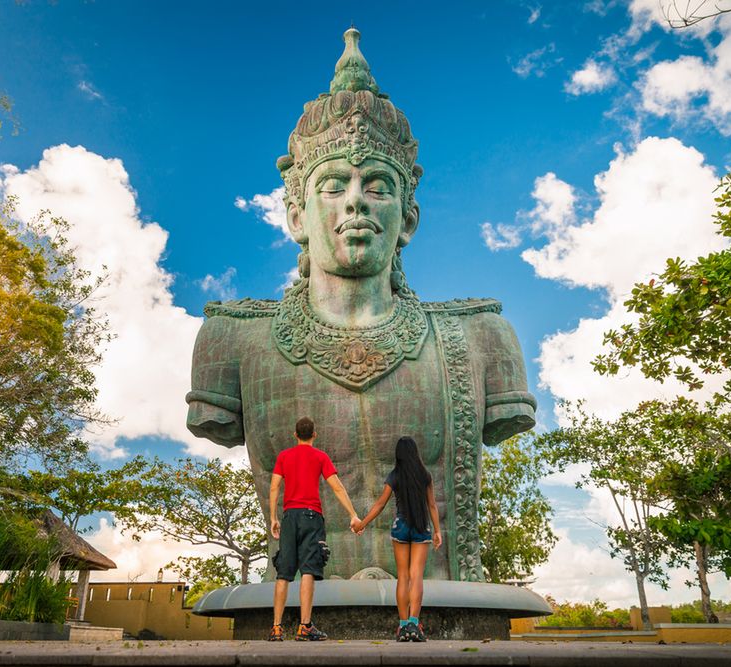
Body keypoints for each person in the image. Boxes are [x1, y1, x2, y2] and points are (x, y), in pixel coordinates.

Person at [186, 27, 535, 582]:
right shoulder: (233, 340)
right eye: (332, 185)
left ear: (408, 219)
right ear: (297, 218)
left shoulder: (480, 337)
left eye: (377, 184)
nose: (355, 199)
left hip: (444, 604)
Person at [268, 416, 360, 641]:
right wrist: (353, 514)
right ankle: (304, 626)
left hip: (289, 516)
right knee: (308, 570)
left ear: (295, 435)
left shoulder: (284, 456)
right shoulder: (320, 456)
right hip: (311, 516)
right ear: (314, 435)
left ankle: (277, 628)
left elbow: (274, 487)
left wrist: (273, 518)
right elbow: (337, 487)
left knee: (283, 572)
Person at [354, 436, 442, 641]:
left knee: (402, 576)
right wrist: (437, 531)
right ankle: (413, 624)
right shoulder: (425, 475)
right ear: (415, 453)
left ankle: (402, 627)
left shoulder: (394, 475)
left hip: (401, 527)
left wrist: (362, 523)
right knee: (416, 576)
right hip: (421, 527)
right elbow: (432, 505)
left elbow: (380, 504)